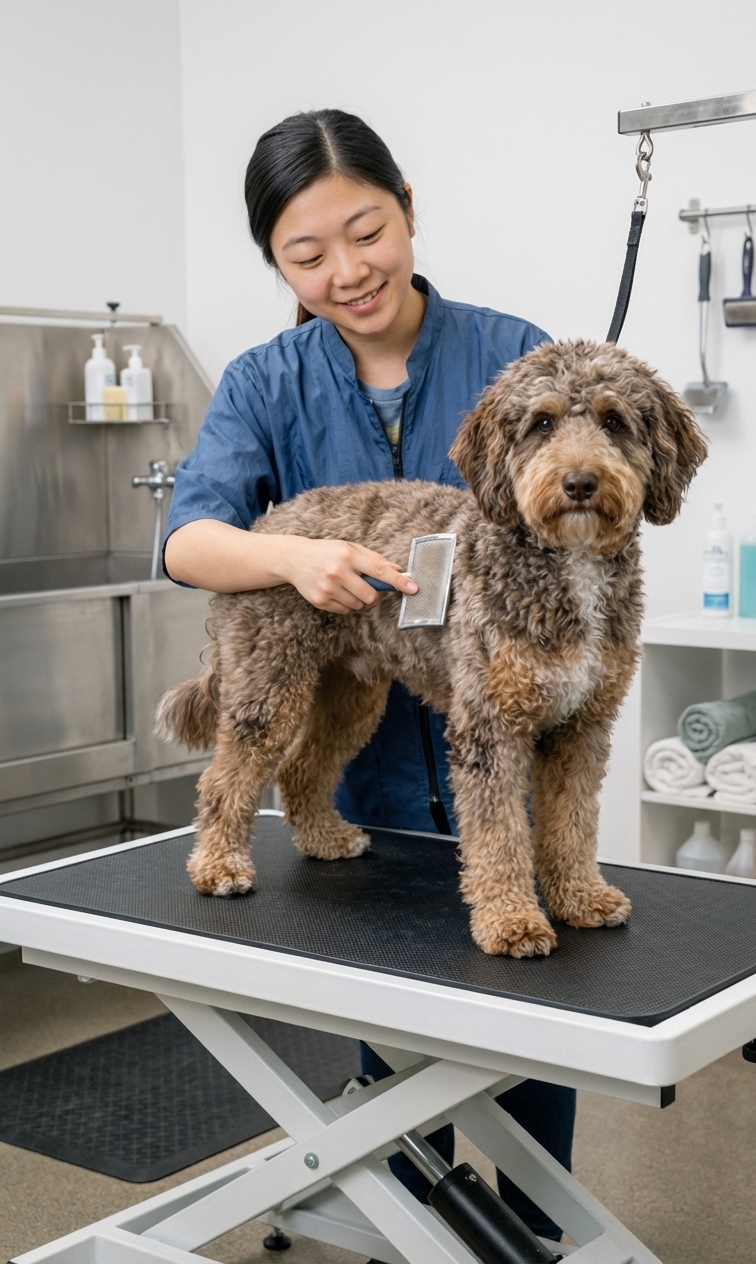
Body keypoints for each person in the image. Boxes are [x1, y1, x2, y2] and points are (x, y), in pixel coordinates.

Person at [163, 108, 575, 1245]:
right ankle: (409, 1224)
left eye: (367, 230)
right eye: (307, 254)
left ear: (407, 213)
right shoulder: (264, 381)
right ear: (276, 266)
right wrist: (295, 557)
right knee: (396, 1062)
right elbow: (188, 539)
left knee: (543, 1030)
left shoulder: (512, 348)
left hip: (512, 753)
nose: (347, 271)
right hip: (370, 791)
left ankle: (542, 1226)